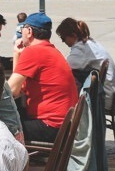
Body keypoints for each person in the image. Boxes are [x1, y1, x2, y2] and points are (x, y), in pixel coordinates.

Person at [7, 11, 78, 144]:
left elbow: (10, 91)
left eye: (22, 29)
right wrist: (17, 54)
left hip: (50, 126)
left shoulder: (34, 51)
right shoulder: (50, 50)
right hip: (63, 125)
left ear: (29, 31)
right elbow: (18, 90)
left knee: (0, 127)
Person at [56, 17, 115, 107]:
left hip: (103, 99)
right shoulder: (90, 42)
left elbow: (64, 67)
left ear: (73, 35)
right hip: (111, 93)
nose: (62, 41)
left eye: (63, 38)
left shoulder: (81, 49)